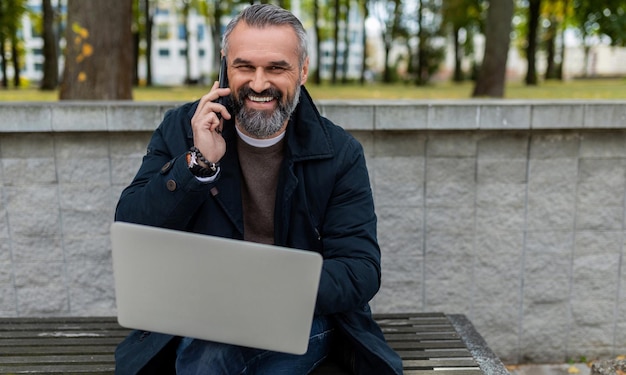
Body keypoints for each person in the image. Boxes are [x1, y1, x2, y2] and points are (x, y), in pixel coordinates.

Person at [113, 4, 403, 375]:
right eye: (245, 66)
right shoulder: (181, 130)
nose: (260, 83)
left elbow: (360, 270)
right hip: (203, 317)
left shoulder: (340, 153)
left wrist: (264, 291)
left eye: (276, 68)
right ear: (224, 67)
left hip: (302, 314)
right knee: (209, 353)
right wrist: (198, 162)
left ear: (302, 71)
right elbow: (133, 228)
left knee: (218, 360)